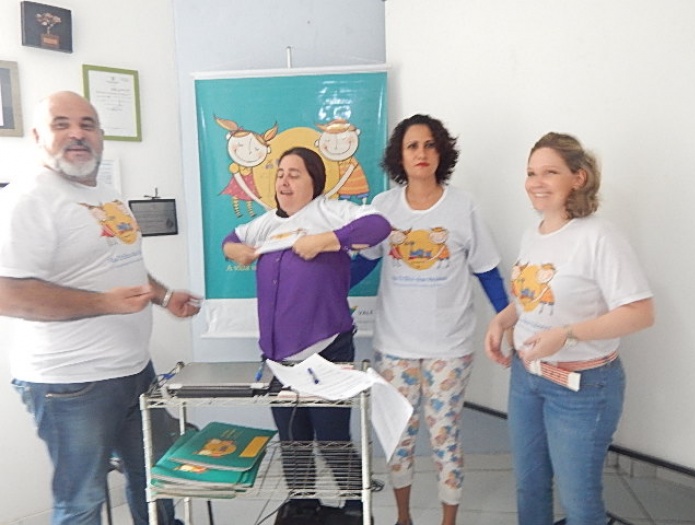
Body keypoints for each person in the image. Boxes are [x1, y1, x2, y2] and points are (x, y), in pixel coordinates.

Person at [0, 91, 201, 525]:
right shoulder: (28, 198)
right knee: (82, 501)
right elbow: (7, 294)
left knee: (155, 479)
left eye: (87, 124)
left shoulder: (104, 191)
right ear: (37, 136)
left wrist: (164, 296)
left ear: (100, 136)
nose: (77, 133)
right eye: (61, 124)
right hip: (71, 382)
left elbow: (121, 265)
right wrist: (102, 304)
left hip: (134, 370)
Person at [484, 132, 655, 525]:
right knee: (529, 486)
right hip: (527, 378)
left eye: (549, 172)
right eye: (531, 173)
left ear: (578, 178)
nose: (536, 182)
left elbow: (640, 313)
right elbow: (532, 299)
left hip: (582, 388)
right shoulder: (534, 233)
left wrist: (567, 334)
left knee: (580, 502)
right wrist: (502, 319)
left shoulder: (599, 236)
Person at [221, 146, 390, 522]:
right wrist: (236, 251)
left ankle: (355, 507)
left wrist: (326, 240)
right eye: (280, 173)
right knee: (293, 440)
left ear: (315, 180)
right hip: (278, 358)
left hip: (326, 350)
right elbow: (230, 239)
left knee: (332, 439)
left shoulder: (330, 212)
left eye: (294, 173)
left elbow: (378, 226)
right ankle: (303, 503)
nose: (284, 180)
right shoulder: (266, 223)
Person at [355, 114, 509, 525]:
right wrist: (317, 286)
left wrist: (508, 321)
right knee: (398, 439)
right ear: (399, 156)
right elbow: (362, 265)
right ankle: (403, 517)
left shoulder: (463, 206)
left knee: (445, 437)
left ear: (441, 152)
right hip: (394, 347)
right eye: (412, 146)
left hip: (449, 349)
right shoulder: (383, 208)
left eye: (429, 145)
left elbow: (487, 270)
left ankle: (448, 520)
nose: (421, 153)